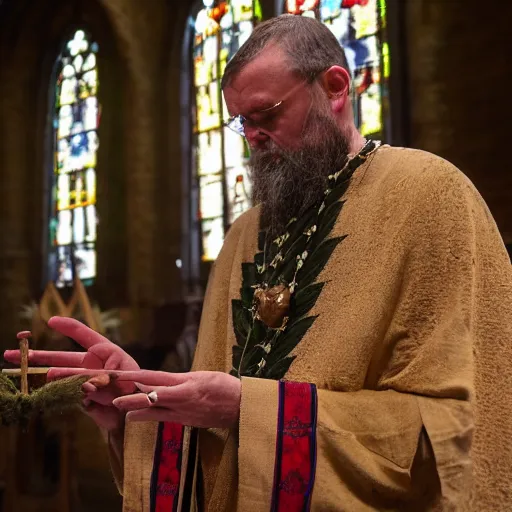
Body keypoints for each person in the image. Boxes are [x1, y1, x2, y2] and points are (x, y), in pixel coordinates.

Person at [5, 14, 512, 512]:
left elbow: (456, 431)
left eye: (267, 115)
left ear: (336, 88)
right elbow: (218, 442)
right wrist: (139, 408)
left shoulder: (430, 196)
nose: (252, 136)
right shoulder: (242, 236)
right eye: (242, 122)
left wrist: (251, 408)